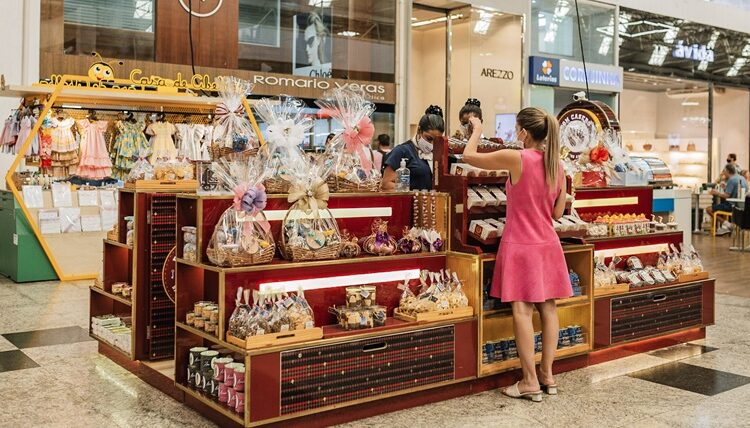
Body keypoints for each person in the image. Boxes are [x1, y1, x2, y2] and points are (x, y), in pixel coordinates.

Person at [462, 107, 571, 402]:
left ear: (523, 132)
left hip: (521, 245)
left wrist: (476, 130)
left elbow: (469, 158)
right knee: (549, 310)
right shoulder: (556, 165)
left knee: (522, 312)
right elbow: (558, 212)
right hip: (548, 245)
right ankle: (548, 376)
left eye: (517, 129)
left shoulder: (517, 157)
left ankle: (529, 381)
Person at [381, 106, 444, 190]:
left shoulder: (439, 154)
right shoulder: (402, 151)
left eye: (436, 141)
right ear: (419, 130)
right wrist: (411, 193)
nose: (431, 144)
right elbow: (386, 184)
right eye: (429, 139)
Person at [707, 163, 748, 236]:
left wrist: (716, 193)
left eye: (724, 171)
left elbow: (726, 196)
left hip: (731, 205)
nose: (723, 173)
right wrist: (725, 188)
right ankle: (725, 227)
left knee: (708, 209)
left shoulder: (731, 180)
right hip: (742, 206)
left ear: (727, 171)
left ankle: (728, 225)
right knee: (718, 206)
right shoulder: (742, 178)